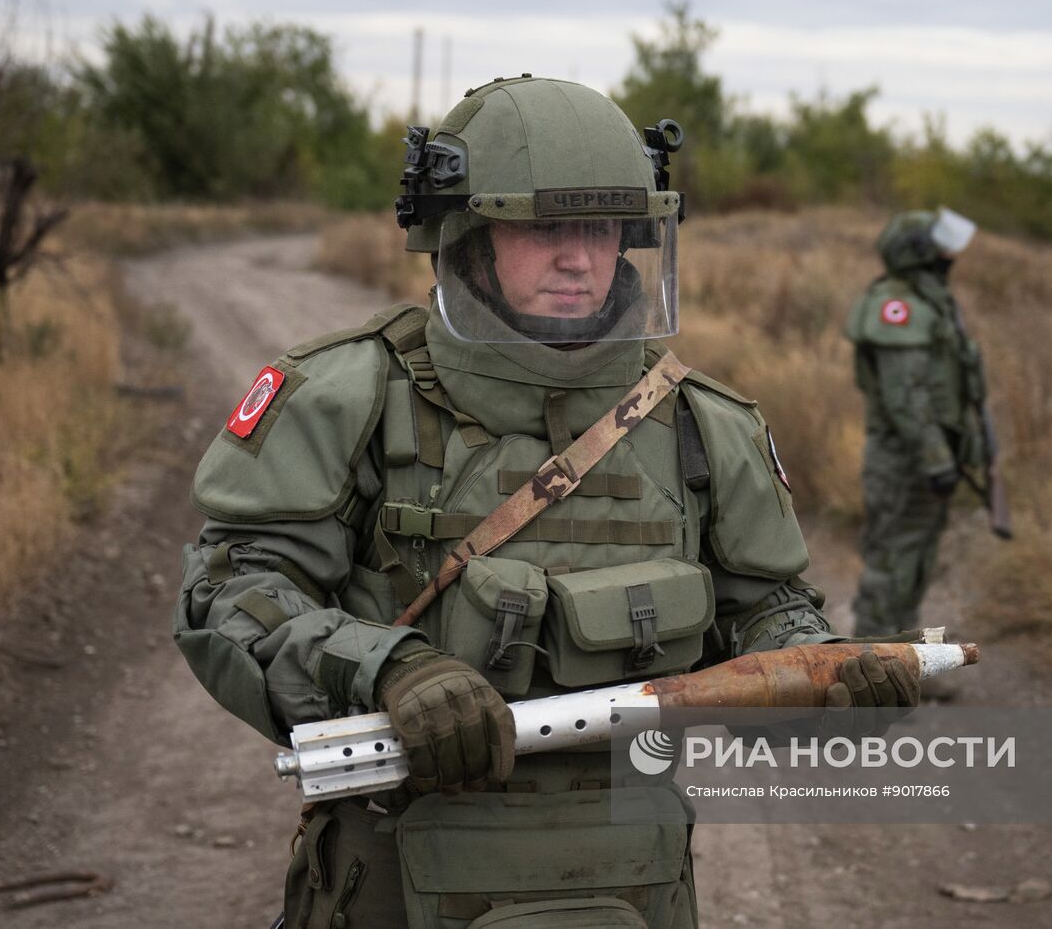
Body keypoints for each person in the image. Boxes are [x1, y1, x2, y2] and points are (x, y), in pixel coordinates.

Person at [174, 75, 920, 929]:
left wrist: (823, 672)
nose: (578, 257)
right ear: (467, 236)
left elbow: (768, 612)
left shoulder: (702, 423)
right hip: (400, 878)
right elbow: (233, 594)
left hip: (633, 884)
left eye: (601, 228)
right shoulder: (345, 396)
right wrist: (392, 668)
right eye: (543, 226)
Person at [843, 208, 988, 639]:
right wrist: (937, 459)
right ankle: (872, 670)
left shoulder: (929, 299)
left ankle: (904, 664)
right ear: (918, 253)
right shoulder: (898, 304)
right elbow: (906, 397)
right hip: (905, 461)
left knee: (915, 560)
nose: (950, 255)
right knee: (892, 564)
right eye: (940, 246)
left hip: (925, 459)